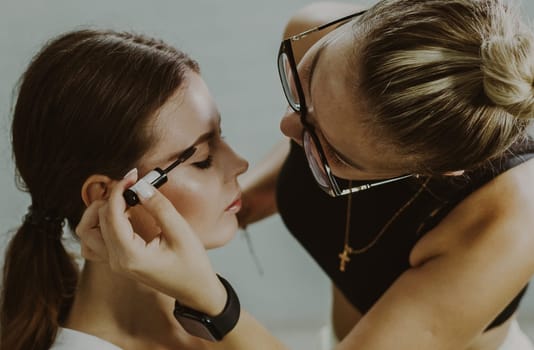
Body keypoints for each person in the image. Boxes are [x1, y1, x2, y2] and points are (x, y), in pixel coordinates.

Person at [76, 0, 534, 349]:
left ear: (427, 171)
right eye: (303, 89)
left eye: (327, 149)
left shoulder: (504, 228)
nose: (287, 128)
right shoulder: (315, 33)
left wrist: (210, 299)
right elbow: (296, 161)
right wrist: (207, 213)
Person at [1, 28, 249, 349]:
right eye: (202, 158)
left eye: (221, 136)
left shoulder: (200, 314)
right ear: (108, 196)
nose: (240, 163)